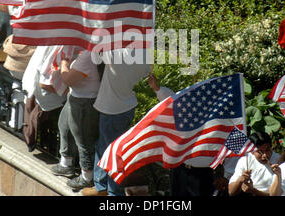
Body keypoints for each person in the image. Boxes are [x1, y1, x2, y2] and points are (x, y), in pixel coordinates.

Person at [81, 48, 150, 196]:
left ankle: (112, 191)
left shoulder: (116, 53)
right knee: (106, 147)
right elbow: (145, 72)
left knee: (112, 152)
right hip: (127, 106)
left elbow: (96, 56)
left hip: (111, 108)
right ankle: (101, 187)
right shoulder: (144, 54)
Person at [147, 73, 226, 196]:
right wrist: (157, 88)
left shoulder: (215, 119)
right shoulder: (185, 113)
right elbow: (171, 99)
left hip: (203, 173)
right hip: (180, 168)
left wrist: (223, 174)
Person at [54, 49, 101, 191]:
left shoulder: (88, 56)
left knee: (83, 138)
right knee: (64, 126)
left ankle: (87, 177)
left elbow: (68, 79)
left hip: (84, 103)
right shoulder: (89, 53)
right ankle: (65, 163)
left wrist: (64, 63)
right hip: (79, 98)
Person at [228, 131, 282, 196]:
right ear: (252, 151)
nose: (264, 155)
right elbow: (231, 192)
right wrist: (240, 180)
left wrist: (253, 191)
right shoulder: (245, 161)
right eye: (260, 151)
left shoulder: (279, 161)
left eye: (267, 150)